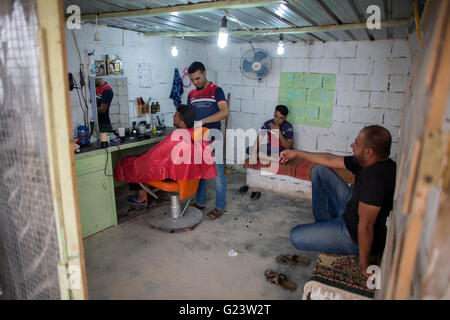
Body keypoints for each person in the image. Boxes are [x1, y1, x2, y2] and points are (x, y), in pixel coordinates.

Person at [279, 125, 396, 276]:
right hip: (351, 209)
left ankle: (330, 234)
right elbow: (330, 159)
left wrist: (364, 264)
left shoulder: (375, 180)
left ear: (369, 152)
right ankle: (324, 227)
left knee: (296, 236)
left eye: (357, 144)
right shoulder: (368, 161)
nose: (352, 146)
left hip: (352, 232)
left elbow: (366, 226)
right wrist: (296, 153)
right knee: (320, 171)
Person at [114, 104, 216, 207]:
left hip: (174, 177)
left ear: (181, 123)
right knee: (141, 159)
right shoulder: (195, 134)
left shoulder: (177, 137)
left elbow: (155, 157)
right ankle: (149, 194)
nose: (173, 117)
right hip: (188, 176)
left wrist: (141, 158)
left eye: (175, 116)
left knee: (129, 163)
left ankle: (142, 197)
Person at [187, 61, 229, 219]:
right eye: (192, 80)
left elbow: (225, 112)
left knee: (217, 174)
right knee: (199, 173)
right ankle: (200, 201)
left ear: (205, 74)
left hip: (214, 138)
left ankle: (219, 207)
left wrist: (203, 121)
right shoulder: (191, 95)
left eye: (197, 78)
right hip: (198, 139)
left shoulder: (216, 91)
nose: (195, 83)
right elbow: (189, 115)